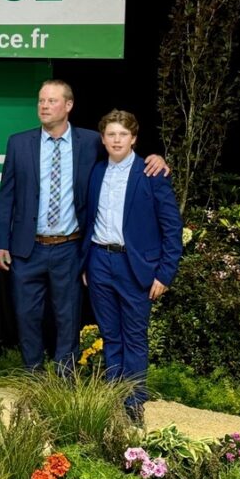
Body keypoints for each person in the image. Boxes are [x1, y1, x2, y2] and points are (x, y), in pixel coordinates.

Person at [0, 80, 167, 371]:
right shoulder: (18, 143)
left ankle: (65, 379)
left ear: (68, 106)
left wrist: (156, 157)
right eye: (41, 101)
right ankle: (32, 378)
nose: (44, 106)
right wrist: (0, 241)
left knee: (68, 317)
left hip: (70, 248)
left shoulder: (90, 142)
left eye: (51, 101)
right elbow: (6, 195)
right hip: (26, 248)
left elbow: (123, 155)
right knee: (26, 316)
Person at [82, 110, 182, 426]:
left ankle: (134, 406)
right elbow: (88, 219)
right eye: (110, 134)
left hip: (135, 266)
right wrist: (86, 262)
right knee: (111, 337)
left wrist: (165, 273)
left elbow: (172, 227)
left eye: (122, 134)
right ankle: (113, 402)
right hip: (99, 261)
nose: (116, 140)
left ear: (134, 138)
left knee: (134, 339)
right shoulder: (97, 171)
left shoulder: (152, 173)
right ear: (103, 139)